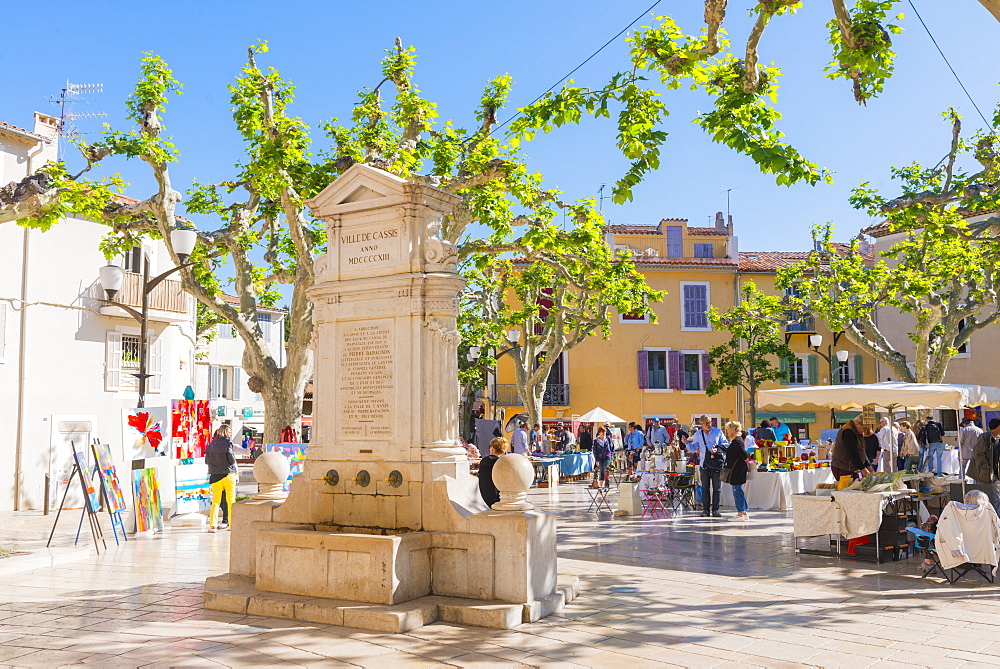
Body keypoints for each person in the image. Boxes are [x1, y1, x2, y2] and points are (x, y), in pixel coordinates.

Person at [691, 415, 727, 517]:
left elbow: (725, 444)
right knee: (705, 488)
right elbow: (694, 448)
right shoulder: (698, 434)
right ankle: (706, 510)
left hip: (716, 464)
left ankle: (715, 510)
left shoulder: (718, 432)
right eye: (707, 423)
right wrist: (686, 444)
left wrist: (718, 449)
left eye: (710, 422)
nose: (709, 425)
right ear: (701, 424)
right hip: (704, 464)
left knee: (717, 488)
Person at [206, 425, 238, 532]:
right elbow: (232, 460)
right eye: (229, 432)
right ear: (224, 432)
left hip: (215, 476)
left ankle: (213, 526)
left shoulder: (211, 444)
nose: (230, 434)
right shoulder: (228, 443)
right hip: (229, 475)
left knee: (215, 501)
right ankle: (231, 524)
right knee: (231, 501)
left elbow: (207, 461)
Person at [967, 418, 1000, 516]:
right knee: (982, 497)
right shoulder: (985, 437)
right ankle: (993, 517)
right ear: (996, 427)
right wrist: (986, 466)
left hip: (996, 473)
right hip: (984, 473)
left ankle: (995, 517)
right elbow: (978, 454)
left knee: (996, 497)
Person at [831, 417, 874, 481]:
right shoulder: (848, 432)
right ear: (857, 424)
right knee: (847, 489)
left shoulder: (858, 432)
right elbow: (852, 452)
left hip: (851, 468)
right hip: (843, 467)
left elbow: (861, 451)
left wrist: (868, 466)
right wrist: (863, 469)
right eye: (864, 428)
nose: (865, 431)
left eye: (867, 429)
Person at [723, 421, 750, 521]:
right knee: (739, 491)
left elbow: (743, 454)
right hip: (738, 469)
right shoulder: (738, 440)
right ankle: (744, 511)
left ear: (733, 430)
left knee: (737, 491)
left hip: (737, 470)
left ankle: (740, 513)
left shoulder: (737, 441)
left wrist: (746, 461)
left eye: (728, 429)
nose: (727, 432)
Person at [478, 437, 506, 508]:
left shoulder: (485, 461)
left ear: (492, 448)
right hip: (501, 498)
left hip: (484, 497)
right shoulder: (503, 463)